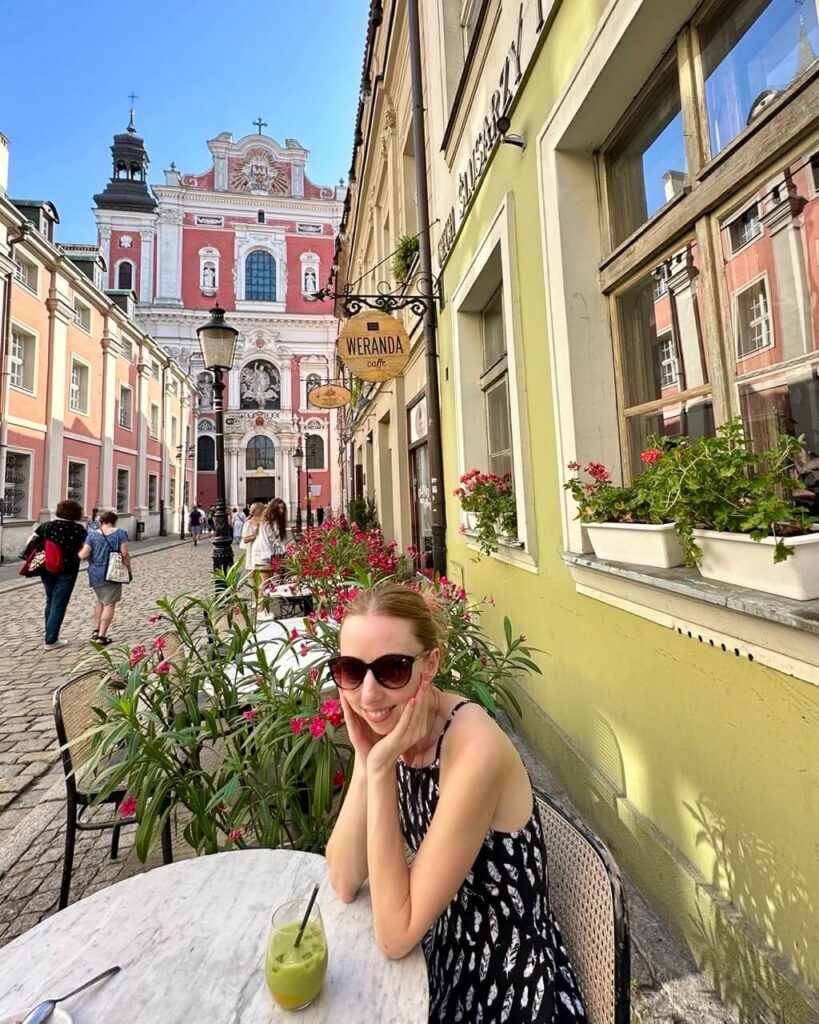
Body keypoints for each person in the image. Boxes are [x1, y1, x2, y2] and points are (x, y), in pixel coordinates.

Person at [325, 583, 586, 1023]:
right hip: (439, 950)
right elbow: (345, 877)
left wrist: (382, 768)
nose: (368, 695)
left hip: (507, 982)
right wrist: (368, 762)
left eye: (391, 668)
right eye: (351, 671)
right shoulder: (393, 736)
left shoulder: (472, 747)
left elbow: (394, 935)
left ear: (432, 664)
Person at [29, 499, 87, 650]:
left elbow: (31, 541)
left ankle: (50, 635)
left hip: (47, 567)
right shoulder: (79, 529)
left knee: (50, 600)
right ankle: (51, 639)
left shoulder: (47, 526)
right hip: (68, 569)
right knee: (59, 603)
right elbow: (83, 549)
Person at [79, 510, 131, 645]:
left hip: (95, 572)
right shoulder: (121, 533)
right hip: (112, 572)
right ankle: (102, 636)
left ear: (101, 522)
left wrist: (91, 561)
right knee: (109, 603)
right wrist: (128, 570)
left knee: (100, 600)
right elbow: (124, 554)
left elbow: (84, 555)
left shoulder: (91, 535)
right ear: (114, 521)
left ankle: (95, 631)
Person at [250, 498, 287, 586]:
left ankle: (265, 599)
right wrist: (268, 556)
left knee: (269, 581)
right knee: (265, 582)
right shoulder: (266, 521)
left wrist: (283, 551)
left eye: (282, 508)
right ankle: (261, 599)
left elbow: (280, 539)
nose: (281, 511)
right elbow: (264, 540)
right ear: (273, 509)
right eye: (278, 508)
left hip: (271, 553)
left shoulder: (279, 521)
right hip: (262, 552)